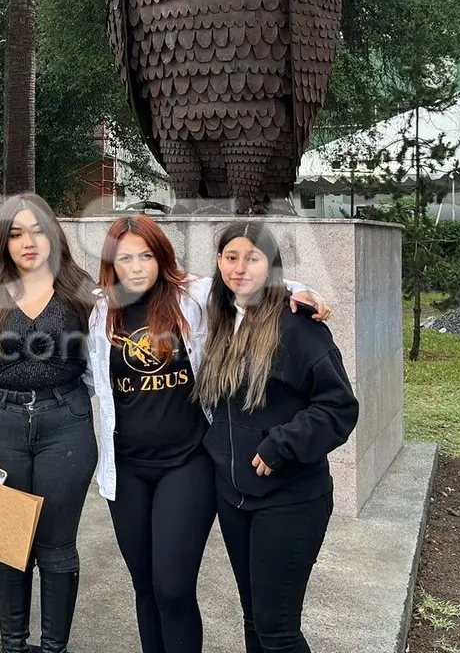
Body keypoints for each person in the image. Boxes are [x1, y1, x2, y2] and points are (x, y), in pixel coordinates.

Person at [85, 215, 331, 653]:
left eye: (146, 256)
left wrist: (299, 291)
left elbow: (242, 280)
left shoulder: (189, 297)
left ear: (161, 258)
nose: (137, 267)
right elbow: (91, 379)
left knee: (173, 587)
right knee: (145, 586)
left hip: (187, 462)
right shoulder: (102, 311)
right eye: (125, 259)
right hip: (126, 470)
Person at [197, 221, 359, 653]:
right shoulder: (219, 315)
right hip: (234, 497)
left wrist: (280, 444)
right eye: (231, 257)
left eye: (253, 258)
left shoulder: (298, 326)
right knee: (254, 619)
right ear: (219, 262)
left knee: (277, 631)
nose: (240, 268)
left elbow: (338, 407)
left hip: (290, 499)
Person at [0, 193, 97, 653]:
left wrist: (296, 291)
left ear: (53, 233)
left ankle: (54, 648)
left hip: (66, 423)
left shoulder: (81, 291)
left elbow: (153, 293)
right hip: (2, 426)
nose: (28, 242)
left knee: (56, 549)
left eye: (37, 230)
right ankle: (12, 646)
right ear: (3, 242)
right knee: (8, 545)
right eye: (15, 233)